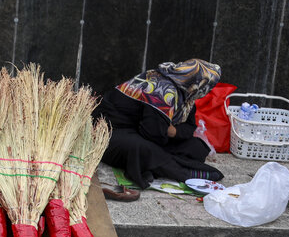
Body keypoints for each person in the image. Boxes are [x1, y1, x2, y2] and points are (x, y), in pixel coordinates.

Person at [96, 58, 224, 194]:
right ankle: (183, 173)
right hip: (110, 132)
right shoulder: (164, 90)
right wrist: (164, 132)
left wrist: (173, 131)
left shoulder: (186, 94)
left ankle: (154, 165)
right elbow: (152, 133)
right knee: (142, 148)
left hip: (146, 133)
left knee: (196, 146)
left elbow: (189, 128)